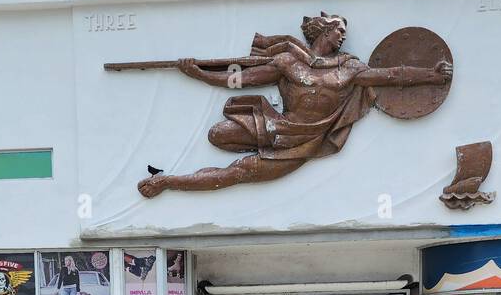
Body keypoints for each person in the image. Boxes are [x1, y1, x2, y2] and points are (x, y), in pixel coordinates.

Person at [138, 13, 453, 197]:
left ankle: (167, 181)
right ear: (322, 30)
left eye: (345, 32)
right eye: (338, 30)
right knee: (218, 134)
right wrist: (198, 73)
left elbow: (390, 76)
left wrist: (431, 75)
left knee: (238, 174)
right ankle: (173, 177)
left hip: (306, 142)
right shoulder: (287, 61)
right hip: (278, 124)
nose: (343, 36)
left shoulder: (350, 68)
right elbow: (239, 80)